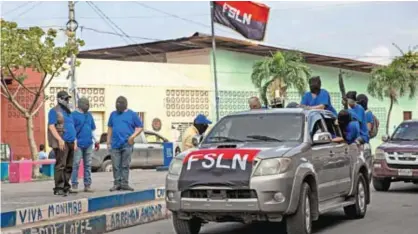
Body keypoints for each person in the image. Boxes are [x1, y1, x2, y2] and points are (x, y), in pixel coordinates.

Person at [107, 96, 143, 192]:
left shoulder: (132, 114)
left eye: (120, 103)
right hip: (115, 144)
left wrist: (132, 136)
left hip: (127, 144)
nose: (118, 105)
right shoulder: (113, 115)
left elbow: (140, 127)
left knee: (125, 165)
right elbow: (110, 128)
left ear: (125, 104)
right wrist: (108, 141)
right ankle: (117, 184)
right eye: (117, 103)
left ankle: (124, 183)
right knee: (115, 165)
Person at [47, 90, 77, 196]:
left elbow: (72, 126)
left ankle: (66, 186)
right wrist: (59, 139)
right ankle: (58, 187)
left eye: (68, 99)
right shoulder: (54, 111)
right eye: (65, 98)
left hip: (71, 141)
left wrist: (75, 140)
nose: (67, 101)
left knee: (69, 165)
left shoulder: (69, 112)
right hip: (62, 142)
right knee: (61, 165)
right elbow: (51, 126)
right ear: (59, 99)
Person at [71, 97, 99, 193]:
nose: (88, 106)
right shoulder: (73, 115)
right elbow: (71, 131)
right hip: (78, 144)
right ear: (80, 104)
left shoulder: (89, 115)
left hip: (88, 144)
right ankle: (74, 185)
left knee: (88, 165)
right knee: (76, 164)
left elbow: (92, 129)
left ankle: (87, 185)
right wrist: (74, 142)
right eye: (86, 104)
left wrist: (96, 140)